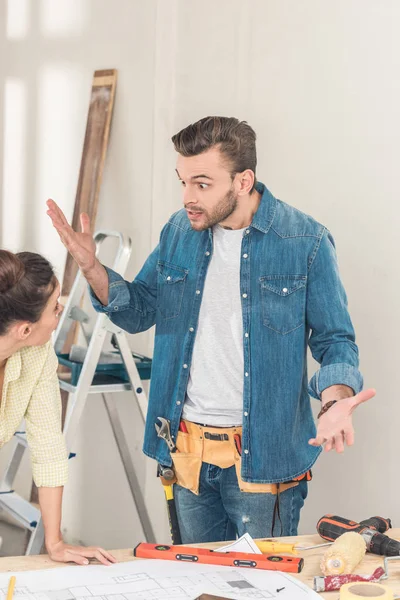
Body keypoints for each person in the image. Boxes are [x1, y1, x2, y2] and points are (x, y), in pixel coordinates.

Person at [47, 116, 375, 544]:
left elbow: (334, 341)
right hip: (187, 453)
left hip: (262, 461)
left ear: (244, 180)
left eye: (202, 184)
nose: (187, 197)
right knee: (196, 584)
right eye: (182, 182)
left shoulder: (304, 241)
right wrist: (91, 269)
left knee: (261, 586)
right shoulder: (179, 231)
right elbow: (139, 310)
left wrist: (335, 402)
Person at [0, 249, 116, 564]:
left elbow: (49, 446)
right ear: (24, 329)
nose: (60, 313)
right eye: (54, 308)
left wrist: (55, 542)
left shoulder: (36, 356)